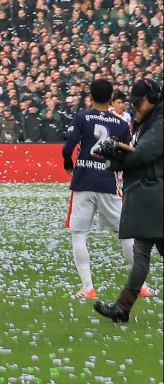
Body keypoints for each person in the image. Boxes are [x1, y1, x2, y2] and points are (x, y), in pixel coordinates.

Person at [93, 78, 162, 322]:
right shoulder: (149, 120)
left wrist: (117, 153)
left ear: (152, 99)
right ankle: (122, 308)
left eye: (139, 103)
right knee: (141, 252)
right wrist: (115, 155)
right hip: (152, 196)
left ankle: (123, 309)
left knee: (142, 252)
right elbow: (139, 150)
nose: (135, 108)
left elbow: (145, 152)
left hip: (156, 196)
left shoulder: (160, 121)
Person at [62, 79, 138, 299]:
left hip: (84, 181)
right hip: (108, 182)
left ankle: (88, 287)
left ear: (90, 97)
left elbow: (68, 147)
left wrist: (69, 163)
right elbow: (126, 156)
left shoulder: (81, 118)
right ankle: (139, 284)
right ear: (111, 99)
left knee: (78, 234)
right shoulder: (122, 124)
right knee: (125, 234)